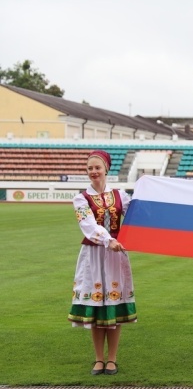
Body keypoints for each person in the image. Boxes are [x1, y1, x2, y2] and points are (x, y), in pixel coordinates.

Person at [68, 150, 136, 376]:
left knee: (113, 307)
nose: (94, 172)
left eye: (97, 167)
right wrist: (110, 240)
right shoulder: (81, 199)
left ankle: (112, 359)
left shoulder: (121, 196)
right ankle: (99, 359)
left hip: (116, 256)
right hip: (94, 255)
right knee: (97, 308)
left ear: (106, 169)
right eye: (90, 169)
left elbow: (137, 215)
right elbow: (88, 225)